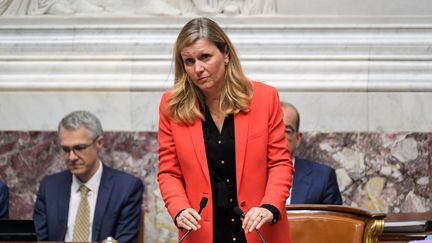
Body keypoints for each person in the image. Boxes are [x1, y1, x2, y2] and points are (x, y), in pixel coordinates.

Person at [157, 17, 293, 243]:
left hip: (258, 229)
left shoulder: (264, 98)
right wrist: (180, 209)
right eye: (189, 61)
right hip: (202, 232)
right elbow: (169, 172)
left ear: (226, 54)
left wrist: (269, 207)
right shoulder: (171, 106)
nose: (198, 69)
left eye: (205, 57)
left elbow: (280, 163)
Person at [33, 110, 144, 243]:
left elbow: (125, 239)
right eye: (66, 149)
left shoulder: (126, 188)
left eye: (79, 148)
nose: (72, 157)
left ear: (99, 143)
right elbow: (39, 239)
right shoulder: (50, 187)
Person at [281, 102, 343, 205]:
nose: (279, 136)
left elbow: (335, 220)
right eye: (273, 129)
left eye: (287, 131)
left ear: (297, 138)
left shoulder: (323, 178)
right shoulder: (248, 176)